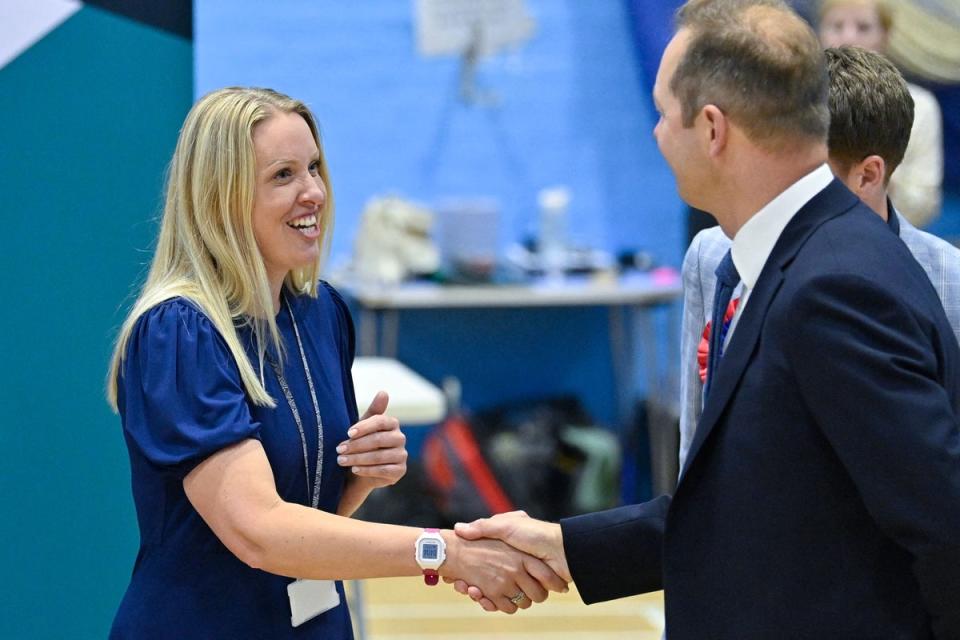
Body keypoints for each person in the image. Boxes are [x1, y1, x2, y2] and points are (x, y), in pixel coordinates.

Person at [451, 1, 960, 637]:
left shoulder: (835, 285)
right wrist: (565, 544)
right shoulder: (786, 260)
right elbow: (756, 510)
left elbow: (943, 523)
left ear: (713, 130)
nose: (657, 135)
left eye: (665, 115)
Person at [105, 87, 566, 639]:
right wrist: (442, 551)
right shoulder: (181, 333)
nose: (314, 193)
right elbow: (260, 532)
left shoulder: (321, 313)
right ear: (219, 197)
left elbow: (311, 514)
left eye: (315, 168)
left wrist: (362, 477)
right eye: (283, 175)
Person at [678, 44, 960, 470]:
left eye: (808, 177)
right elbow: (696, 449)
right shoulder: (715, 254)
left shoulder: (947, 276)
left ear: (868, 175)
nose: (785, 191)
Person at [818, 0, 943, 228]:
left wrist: (878, 179)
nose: (849, 38)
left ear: (885, 36)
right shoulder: (802, 102)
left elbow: (925, 205)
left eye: (863, 27)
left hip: (894, 235)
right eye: (836, 26)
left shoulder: (922, 106)